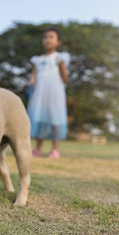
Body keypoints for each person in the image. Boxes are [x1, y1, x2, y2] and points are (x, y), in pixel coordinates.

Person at [27, 27, 70, 158]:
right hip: (39, 94)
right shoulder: (37, 60)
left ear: (58, 42)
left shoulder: (59, 58)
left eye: (51, 37)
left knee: (55, 119)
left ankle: (54, 149)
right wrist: (31, 85)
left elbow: (64, 78)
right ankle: (37, 148)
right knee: (40, 119)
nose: (47, 40)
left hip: (54, 93)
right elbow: (33, 77)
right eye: (45, 37)